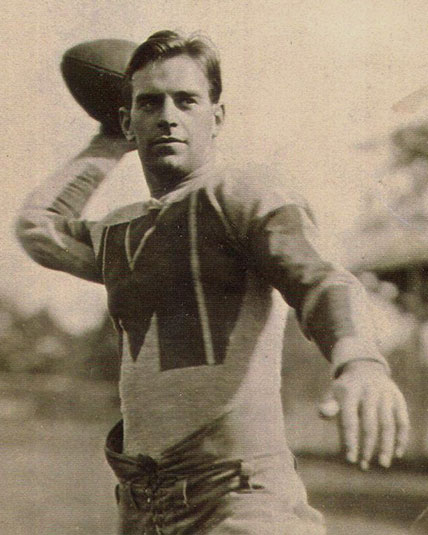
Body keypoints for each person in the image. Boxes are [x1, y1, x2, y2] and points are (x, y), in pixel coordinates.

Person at [16, 30, 409, 535]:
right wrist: (107, 143)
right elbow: (39, 226)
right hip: (141, 502)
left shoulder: (240, 192)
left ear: (217, 116)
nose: (168, 116)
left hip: (238, 498)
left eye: (186, 100)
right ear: (127, 120)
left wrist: (360, 361)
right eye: (148, 103)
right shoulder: (120, 230)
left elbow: (317, 276)